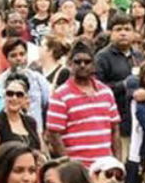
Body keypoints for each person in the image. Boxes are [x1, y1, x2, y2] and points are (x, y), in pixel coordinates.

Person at [45, 40, 121, 169]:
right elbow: (53, 134)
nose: (82, 65)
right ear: (70, 64)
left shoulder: (106, 92)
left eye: (87, 62)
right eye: (77, 62)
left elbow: (115, 130)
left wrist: (118, 162)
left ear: (94, 65)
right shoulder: (60, 95)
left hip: (105, 169)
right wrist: (69, 165)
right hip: (78, 170)